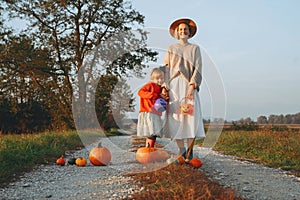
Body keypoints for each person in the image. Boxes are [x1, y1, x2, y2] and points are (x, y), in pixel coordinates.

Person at [161, 18, 205, 160]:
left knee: (191, 116)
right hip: (174, 85)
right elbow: (166, 68)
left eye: (185, 29)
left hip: (188, 85)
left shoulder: (195, 49)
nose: (183, 31)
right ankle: (181, 150)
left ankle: (190, 151)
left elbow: (198, 68)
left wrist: (193, 86)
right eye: (180, 29)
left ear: (189, 32)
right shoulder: (171, 48)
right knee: (176, 118)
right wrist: (164, 86)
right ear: (177, 32)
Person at [137, 68, 169, 139]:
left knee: (154, 133)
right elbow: (140, 92)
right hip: (148, 112)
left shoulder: (161, 89)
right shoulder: (150, 85)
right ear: (152, 79)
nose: (160, 80)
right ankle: (148, 148)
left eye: (162, 78)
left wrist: (165, 98)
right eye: (157, 79)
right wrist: (154, 95)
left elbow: (161, 101)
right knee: (150, 133)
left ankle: (151, 147)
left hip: (156, 113)